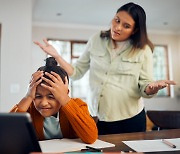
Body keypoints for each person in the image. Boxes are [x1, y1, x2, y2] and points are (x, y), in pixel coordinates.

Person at [34, 2, 176, 135]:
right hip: (97, 118)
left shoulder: (143, 50)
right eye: (117, 20)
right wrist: (57, 56)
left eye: (126, 26)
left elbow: (145, 86)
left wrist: (152, 88)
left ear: (135, 30)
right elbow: (76, 73)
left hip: (130, 118)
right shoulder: (96, 39)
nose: (118, 27)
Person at [10, 57, 98, 143]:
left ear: (65, 93)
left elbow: (90, 137)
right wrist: (28, 97)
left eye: (51, 97)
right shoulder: (29, 109)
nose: (44, 103)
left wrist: (64, 98)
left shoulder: (78, 105)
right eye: (38, 96)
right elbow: (8, 133)